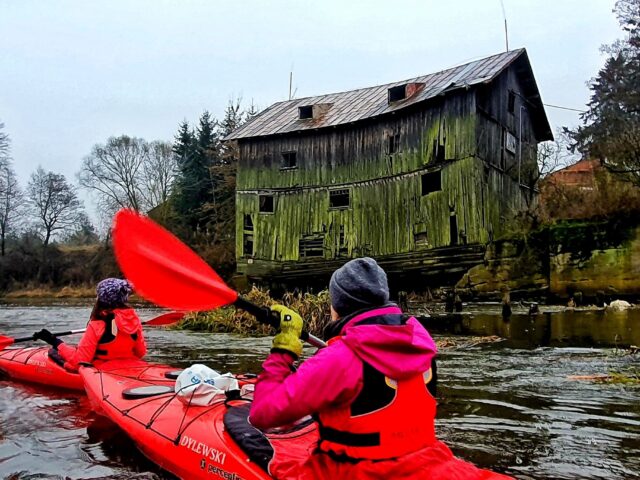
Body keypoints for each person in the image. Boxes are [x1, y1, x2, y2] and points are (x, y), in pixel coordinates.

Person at [250, 257, 512, 479]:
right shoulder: (422, 343)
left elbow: (262, 414)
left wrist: (283, 349)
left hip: (352, 471)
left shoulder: (338, 359)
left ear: (338, 307)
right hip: (425, 459)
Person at [34, 278, 147, 372]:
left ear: (102, 299)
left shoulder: (97, 324)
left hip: (103, 372)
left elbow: (80, 361)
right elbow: (140, 352)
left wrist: (55, 342)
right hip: (134, 368)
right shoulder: (134, 320)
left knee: (54, 353)